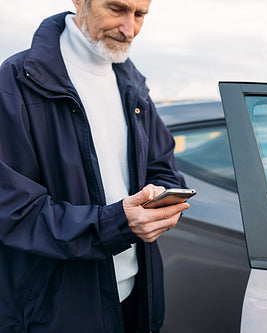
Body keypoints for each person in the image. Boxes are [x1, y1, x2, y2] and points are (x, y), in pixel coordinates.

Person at [0, 0, 190, 332]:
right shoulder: (15, 82)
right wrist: (116, 224)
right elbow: (16, 213)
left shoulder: (134, 85)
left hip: (135, 297)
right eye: (116, 9)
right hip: (55, 310)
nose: (129, 29)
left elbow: (163, 168)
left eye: (140, 15)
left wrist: (159, 205)